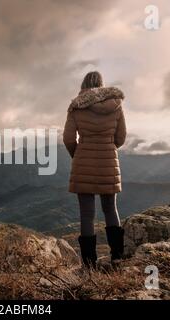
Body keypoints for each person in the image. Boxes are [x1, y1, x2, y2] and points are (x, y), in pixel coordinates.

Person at [63, 71, 127, 268]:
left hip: (83, 162)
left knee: (87, 214)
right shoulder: (115, 105)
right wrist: (108, 147)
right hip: (108, 162)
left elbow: (68, 139)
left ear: (83, 85)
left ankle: (90, 265)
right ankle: (117, 256)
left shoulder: (76, 106)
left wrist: (80, 154)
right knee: (110, 209)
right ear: (102, 85)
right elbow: (121, 138)